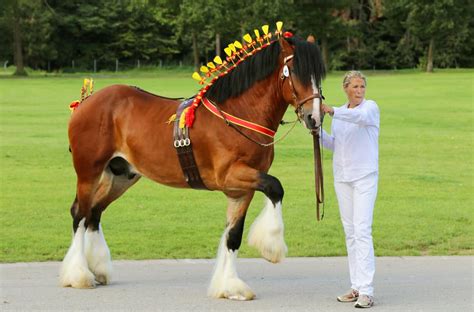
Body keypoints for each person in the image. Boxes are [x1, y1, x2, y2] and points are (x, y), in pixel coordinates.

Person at [320, 71, 380, 308]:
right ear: (345, 88)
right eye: (354, 86)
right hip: (343, 177)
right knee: (351, 232)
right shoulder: (341, 115)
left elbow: (359, 118)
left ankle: (367, 290)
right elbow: (335, 144)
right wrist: (316, 132)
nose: (359, 90)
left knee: (363, 230)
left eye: (362, 86)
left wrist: (331, 110)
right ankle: (356, 286)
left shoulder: (370, 108)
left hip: (364, 177)